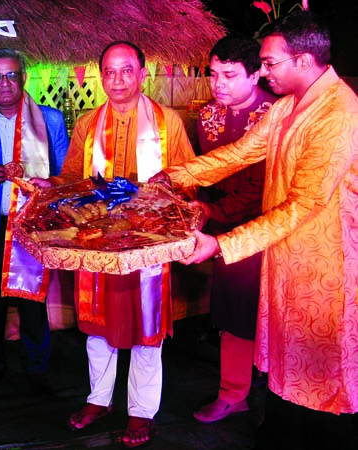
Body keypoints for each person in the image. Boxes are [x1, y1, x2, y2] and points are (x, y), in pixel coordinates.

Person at [154, 11, 358, 449]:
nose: (262, 72)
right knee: (285, 373)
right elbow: (240, 154)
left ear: (303, 61)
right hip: (284, 260)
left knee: (322, 380)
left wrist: (221, 245)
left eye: (269, 63)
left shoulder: (339, 113)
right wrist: (173, 176)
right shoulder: (288, 107)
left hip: (325, 271)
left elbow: (303, 204)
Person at [41, 41, 196, 447]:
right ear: (101, 76)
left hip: (147, 243)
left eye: (127, 70)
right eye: (109, 71)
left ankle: (141, 411)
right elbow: (73, 176)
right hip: (98, 244)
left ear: (143, 73)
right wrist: (51, 186)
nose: (118, 80)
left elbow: (188, 176)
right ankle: (99, 399)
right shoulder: (88, 124)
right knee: (97, 328)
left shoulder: (168, 122)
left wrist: (163, 197)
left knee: (147, 330)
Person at [0, 48, 69, 397]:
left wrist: (49, 186)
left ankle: (36, 369)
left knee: (32, 302)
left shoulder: (49, 119)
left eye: (11, 75)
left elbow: (68, 174)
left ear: (23, 78)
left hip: (32, 224)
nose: (4, 83)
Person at [190, 36, 277, 424]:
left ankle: (269, 394)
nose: (218, 84)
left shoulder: (275, 115)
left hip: (269, 224)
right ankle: (235, 393)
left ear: (257, 73)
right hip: (223, 225)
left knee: (266, 312)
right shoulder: (207, 116)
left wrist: (211, 210)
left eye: (229, 75)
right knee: (232, 311)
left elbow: (258, 188)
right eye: (213, 74)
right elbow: (209, 174)